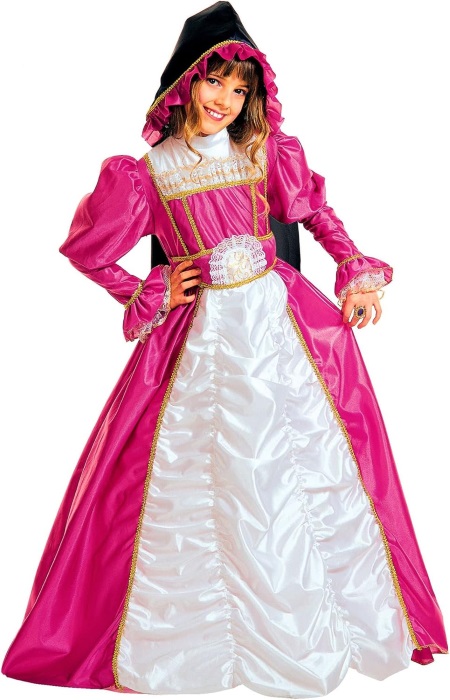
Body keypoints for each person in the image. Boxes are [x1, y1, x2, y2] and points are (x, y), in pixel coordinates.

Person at [2, 1, 447, 697]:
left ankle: (310, 620)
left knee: (298, 461)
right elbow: (87, 250)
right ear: (184, 84)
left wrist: (354, 266)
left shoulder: (262, 153)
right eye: (214, 81)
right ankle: (205, 631)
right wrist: (145, 288)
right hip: (203, 335)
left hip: (279, 324)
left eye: (241, 89)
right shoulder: (146, 173)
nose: (225, 100)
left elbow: (314, 213)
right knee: (206, 467)